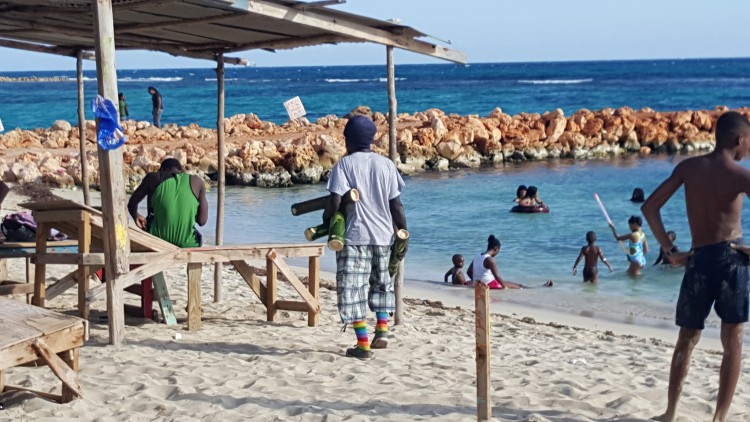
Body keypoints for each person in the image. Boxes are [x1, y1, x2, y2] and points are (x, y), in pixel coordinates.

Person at [641, 111, 750, 422]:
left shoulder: (689, 167)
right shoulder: (741, 175)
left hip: (699, 260)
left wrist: (670, 250)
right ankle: (719, 418)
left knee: (686, 339)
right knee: (733, 342)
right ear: (739, 139)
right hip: (731, 262)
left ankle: (670, 413)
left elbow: (650, 207)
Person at [323, 115, 407, 360]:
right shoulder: (386, 165)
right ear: (371, 139)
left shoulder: (345, 165)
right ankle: (382, 330)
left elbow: (335, 200)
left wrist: (327, 220)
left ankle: (362, 345)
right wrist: (403, 233)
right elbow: (397, 204)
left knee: (353, 290)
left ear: (348, 139)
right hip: (383, 236)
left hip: (355, 236)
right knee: (382, 284)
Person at [127, 158, 208, 248]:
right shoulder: (197, 182)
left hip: (157, 241)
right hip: (187, 244)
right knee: (198, 237)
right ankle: (193, 261)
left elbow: (132, 204)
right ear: (180, 171)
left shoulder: (153, 177)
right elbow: (202, 221)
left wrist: (136, 216)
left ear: (162, 170)